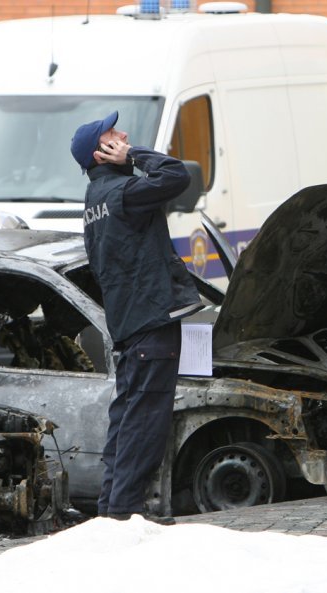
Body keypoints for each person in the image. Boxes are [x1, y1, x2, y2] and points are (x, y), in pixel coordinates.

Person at [70, 111, 202, 522]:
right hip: (150, 323)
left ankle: (113, 509)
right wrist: (135, 155)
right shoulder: (123, 193)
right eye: (114, 135)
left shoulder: (96, 200)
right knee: (146, 423)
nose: (123, 135)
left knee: (127, 417)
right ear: (102, 151)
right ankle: (125, 513)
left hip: (131, 327)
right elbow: (177, 176)